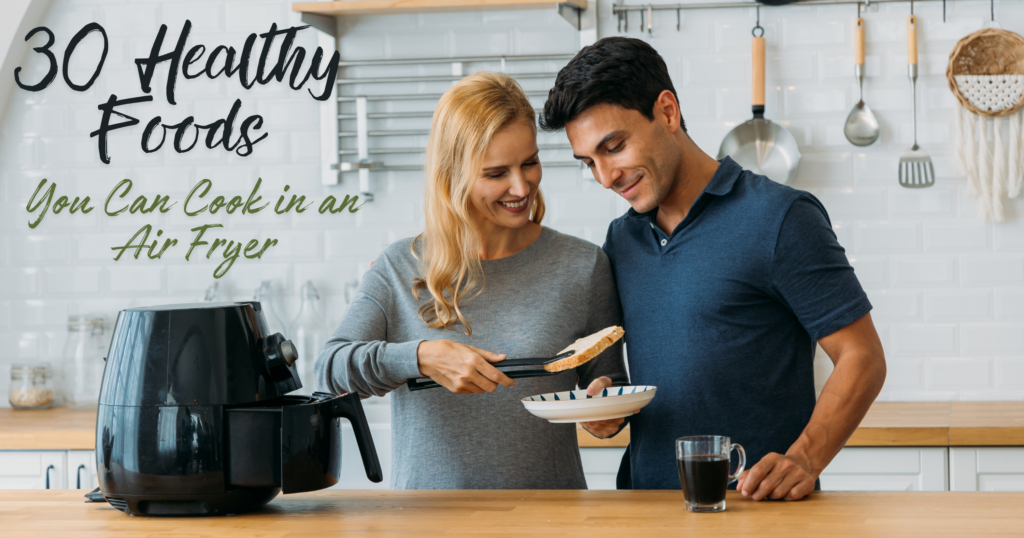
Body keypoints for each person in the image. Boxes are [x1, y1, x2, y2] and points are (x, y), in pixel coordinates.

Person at [540, 37, 886, 501]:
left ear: (667, 112)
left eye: (615, 147)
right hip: (645, 509)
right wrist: (608, 403)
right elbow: (636, 376)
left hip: (758, 511)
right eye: (589, 162)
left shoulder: (781, 218)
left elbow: (861, 357)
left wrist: (805, 457)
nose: (605, 177)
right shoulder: (622, 240)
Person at [315, 72, 628, 489]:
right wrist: (421, 357)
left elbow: (609, 385)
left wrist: (606, 409)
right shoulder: (398, 267)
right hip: (428, 525)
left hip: (552, 521)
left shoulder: (583, 265)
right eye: (496, 173)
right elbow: (329, 369)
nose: (521, 186)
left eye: (530, 163)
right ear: (452, 176)